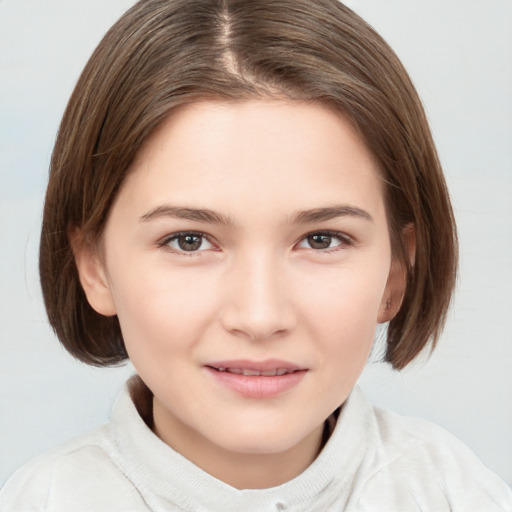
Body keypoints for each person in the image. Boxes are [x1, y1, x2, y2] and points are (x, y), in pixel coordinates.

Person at [1, 0, 511, 510]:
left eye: (321, 239)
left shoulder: (455, 495)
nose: (260, 317)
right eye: (189, 240)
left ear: (395, 272)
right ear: (94, 267)